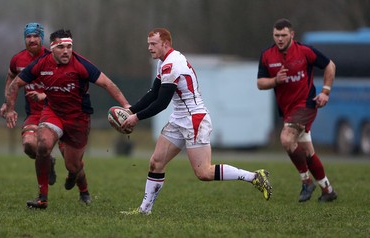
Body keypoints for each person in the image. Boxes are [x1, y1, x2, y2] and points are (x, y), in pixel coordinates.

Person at [120, 28, 272, 215]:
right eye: (148, 44)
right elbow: (153, 93)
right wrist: (131, 110)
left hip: (194, 119)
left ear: (165, 44)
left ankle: (255, 176)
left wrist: (136, 117)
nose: (149, 48)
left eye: (153, 44)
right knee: (156, 162)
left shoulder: (172, 64)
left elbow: (161, 102)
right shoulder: (164, 62)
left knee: (204, 173)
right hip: (179, 118)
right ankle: (144, 210)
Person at [4, 29, 130, 209]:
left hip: (78, 118)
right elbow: (16, 83)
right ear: (52, 48)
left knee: (73, 165)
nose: (66, 51)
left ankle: (80, 184)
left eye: (69, 47)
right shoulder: (42, 63)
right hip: (53, 112)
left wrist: (126, 106)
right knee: (42, 145)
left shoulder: (81, 65)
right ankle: (42, 198)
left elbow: (108, 84)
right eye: (61, 47)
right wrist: (9, 109)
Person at [257, 18, 337, 202]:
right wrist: (275, 81)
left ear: (291, 35)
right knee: (307, 153)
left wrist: (325, 91)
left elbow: (330, 65)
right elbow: (260, 83)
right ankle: (327, 190)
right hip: (287, 110)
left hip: (306, 105)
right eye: (277, 35)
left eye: (283, 35)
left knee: (286, 139)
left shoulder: (304, 52)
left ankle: (306, 181)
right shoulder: (267, 56)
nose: (280, 39)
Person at [0, 22, 57, 186]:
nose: (32, 40)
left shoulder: (52, 57)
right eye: (28, 36)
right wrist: (7, 103)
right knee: (29, 145)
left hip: (57, 111)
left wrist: (44, 94)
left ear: (42, 38)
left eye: (35, 36)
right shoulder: (18, 59)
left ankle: (83, 190)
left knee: (71, 161)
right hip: (34, 113)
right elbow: (11, 78)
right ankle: (49, 161)